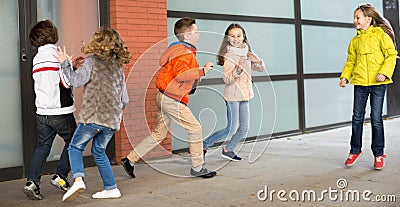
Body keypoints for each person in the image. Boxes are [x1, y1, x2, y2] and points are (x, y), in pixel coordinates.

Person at [120, 17, 216, 178]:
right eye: (196, 32)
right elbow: (181, 74)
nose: (199, 35)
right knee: (195, 128)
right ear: (186, 36)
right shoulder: (184, 52)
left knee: (159, 133)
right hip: (172, 99)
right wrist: (203, 70)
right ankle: (197, 167)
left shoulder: (179, 49)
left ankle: (130, 159)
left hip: (163, 96)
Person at [53, 27, 131, 201]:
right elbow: (124, 99)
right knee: (99, 151)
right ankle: (111, 188)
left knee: (75, 147)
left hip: (92, 118)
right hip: (111, 121)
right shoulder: (118, 67)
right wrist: (112, 114)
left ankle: (78, 179)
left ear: (97, 42)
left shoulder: (91, 61)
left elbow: (75, 81)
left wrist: (64, 63)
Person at [23, 20, 77, 200]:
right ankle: (61, 177)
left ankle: (32, 182)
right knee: (74, 142)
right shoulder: (58, 55)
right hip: (61, 112)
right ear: (53, 35)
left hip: (42, 112)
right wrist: (70, 64)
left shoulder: (36, 58)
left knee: (42, 147)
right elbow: (67, 81)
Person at [339, 4, 397, 170]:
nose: (355, 20)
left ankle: (379, 154)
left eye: (358, 17)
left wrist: (384, 73)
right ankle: (355, 150)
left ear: (368, 19)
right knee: (357, 118)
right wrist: (345, 76)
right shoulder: (355, 41)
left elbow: (391, 56)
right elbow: (350, 61)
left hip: (378, 84)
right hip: (360, 83)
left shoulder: (380, 35)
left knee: (376, 119)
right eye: (354, 17)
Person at [202, 23, 265, 161]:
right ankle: (204, 145)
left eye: (239, 35)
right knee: (231, 129)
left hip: (245, 95)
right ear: (227, 38)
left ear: (244, 37)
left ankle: (228, 149)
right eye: (232, 36)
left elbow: (259, 69)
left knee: (244, 128)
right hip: (232, 96)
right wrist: (238, 69)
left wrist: (258, 60)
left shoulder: (247, 53)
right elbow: (227, 79)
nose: (236, 39)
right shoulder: (228, 55)